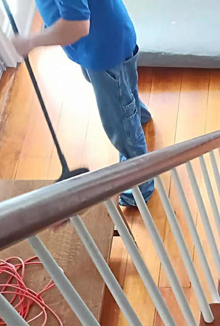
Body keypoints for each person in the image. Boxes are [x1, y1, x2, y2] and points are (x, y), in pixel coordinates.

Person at [12, 0, 154, 206]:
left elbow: (77, 25)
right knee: (120, 93)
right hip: (98, 42)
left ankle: (140, 189)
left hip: (105, 49)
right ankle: (136, 114)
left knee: (122, 127)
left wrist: (32, 41)